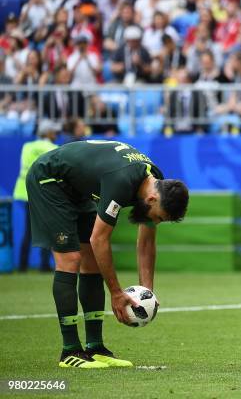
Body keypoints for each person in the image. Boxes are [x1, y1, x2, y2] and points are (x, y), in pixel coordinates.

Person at [26, 140, 189, 368]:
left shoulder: (155, 179)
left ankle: (95, 347)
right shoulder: (122, 181)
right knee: (71, 258)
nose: (155, 221)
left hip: (78, 188)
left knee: (91, 262)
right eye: (159, 217)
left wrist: (146, 291)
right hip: (50, 180)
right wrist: (115, 292)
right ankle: (70, 351)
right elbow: (99, 239)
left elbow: (146, 243)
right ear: (151, 199)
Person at [13, 119, 60, 272]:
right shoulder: (53, 148)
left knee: (28, 231)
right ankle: (44, 265)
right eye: (54, 131)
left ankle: (22, 266)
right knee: (46, 230)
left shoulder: (27, 146)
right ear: (47, 133)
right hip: (42, 193)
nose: (56, 134)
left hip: (24, 191)